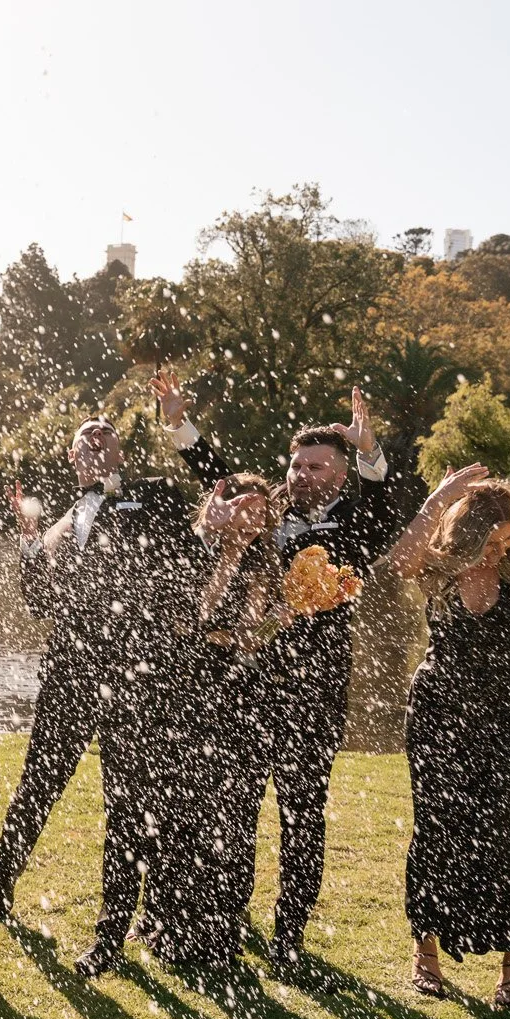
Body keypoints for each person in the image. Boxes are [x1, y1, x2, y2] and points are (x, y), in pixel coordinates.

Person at [155, 373, 421, 977]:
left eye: (319, 467)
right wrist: (179, 423)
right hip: (248, 688)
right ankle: (224, 927)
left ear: (342, 472)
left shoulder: (359, 517)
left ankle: (290, 938)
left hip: (317, 688)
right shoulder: (270, 510)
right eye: (298, 465)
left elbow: (386, 498)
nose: (304, 475)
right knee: (236, 809)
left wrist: (369, 448)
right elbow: (214, 474)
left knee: (303, 814)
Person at [0, 414, 200, 980]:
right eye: (86, 436)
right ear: (73, 456)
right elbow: (38, 605)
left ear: (121, 452)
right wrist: (30, 550)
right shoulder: (60, 522)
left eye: (107, 434)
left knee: (126, 807)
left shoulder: (157, 499)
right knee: (38, 784)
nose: (97, 439)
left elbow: (187, 569)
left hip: (136, 678)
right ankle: (0, 888)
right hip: (68, 676)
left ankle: (109, 936)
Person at [386, 413, 510, 1007]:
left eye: (507, 537)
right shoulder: (438, 568)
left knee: (508, 830)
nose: (503, 547)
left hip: (507, 713)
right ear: (469, 529)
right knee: (436, 827)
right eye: (494, 539)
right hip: (439, 711)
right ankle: (427, 956)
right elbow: (396, 565)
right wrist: (438, 499)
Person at [135, 474, 284, 970]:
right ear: (222, 504)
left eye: (262, 512)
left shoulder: (266, 563)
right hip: (182, 684)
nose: (253, 518)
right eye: (245, 507)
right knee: (176, 805)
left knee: (232, 813)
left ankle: (219, 930)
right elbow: (192, 615)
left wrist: (277, 620)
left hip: (237, 693)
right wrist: (217, 544)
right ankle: (165, 919)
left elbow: (247, 640)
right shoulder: (191, 548)